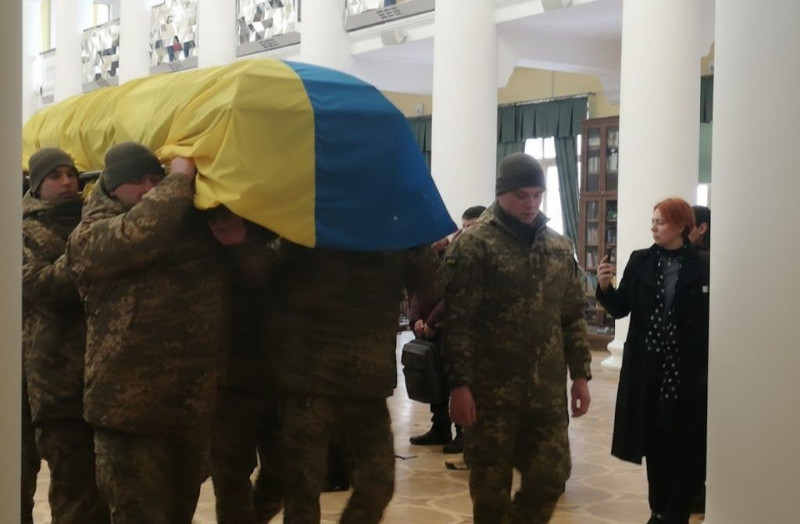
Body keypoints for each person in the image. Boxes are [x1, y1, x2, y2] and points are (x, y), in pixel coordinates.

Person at [65, 142, 231, 523]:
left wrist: (238, 239)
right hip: (128, 416)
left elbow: (251, 277)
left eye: (155, 178)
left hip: (189, 409)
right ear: (112, 187)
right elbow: (139, 234)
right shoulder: (89, 238)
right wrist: (178, 179)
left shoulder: (186, 225)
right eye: (137, 180)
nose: (149, 188)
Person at [444, 152, 592, 523]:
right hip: (490, 393)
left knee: (551, 477)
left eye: (537, 196)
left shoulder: (559, 247)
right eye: (521, 196)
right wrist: (459, 385)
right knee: (490, 493)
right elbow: (458, 322)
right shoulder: (474, 245)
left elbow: (572, 315)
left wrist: (580, 375)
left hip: (546, 392)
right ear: (501, 194)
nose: (530, 204)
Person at [267, 241, 440, 523]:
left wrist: (417, 240)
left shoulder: (393, 235)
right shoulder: (308, 225)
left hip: (367, 382)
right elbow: (266, 278)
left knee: (378, 481)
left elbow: (435, 286)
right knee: (302, 489)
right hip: (309, 380)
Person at [596, 197, 709, 524]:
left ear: (681, 226)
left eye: (660, 222)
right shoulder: (641, 261)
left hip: (686, 372)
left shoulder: (703, 265)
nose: (653, 227)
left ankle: (677, 513)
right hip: (647, 368)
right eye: (653, 221)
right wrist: (605, 287)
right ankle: (658, 510)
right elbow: (621, 308)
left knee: (683, 442)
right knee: (654, 442)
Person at [22, 147, 109, 524]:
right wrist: (89, 252)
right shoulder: (23, 231)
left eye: (71, 174)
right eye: (55, 176)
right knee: (72, 487)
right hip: (53, 379)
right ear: (37, 185)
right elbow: (39, 285)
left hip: (103, 375)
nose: (67, 182)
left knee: (104, 490)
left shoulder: (94, 219)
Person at [206, 206, 285, 524]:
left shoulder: (275, 245)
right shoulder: (202, 251)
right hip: (225, 387)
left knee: (283, 474)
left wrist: (244, 244)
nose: (219, 223)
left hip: (278, 381)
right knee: (230, 479)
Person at [408, 205, 486, 454]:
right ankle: (440, 427)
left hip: (458, 329)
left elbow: (454, 295)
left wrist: (432, 322)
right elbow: (418, 290)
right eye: (462, 227)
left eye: (470, 228)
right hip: (430, 330)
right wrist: (416, 319)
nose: (464, 233)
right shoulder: (438, 255)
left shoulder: (473, 257)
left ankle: (464, 433)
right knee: (435, 378)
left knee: (459, 381)